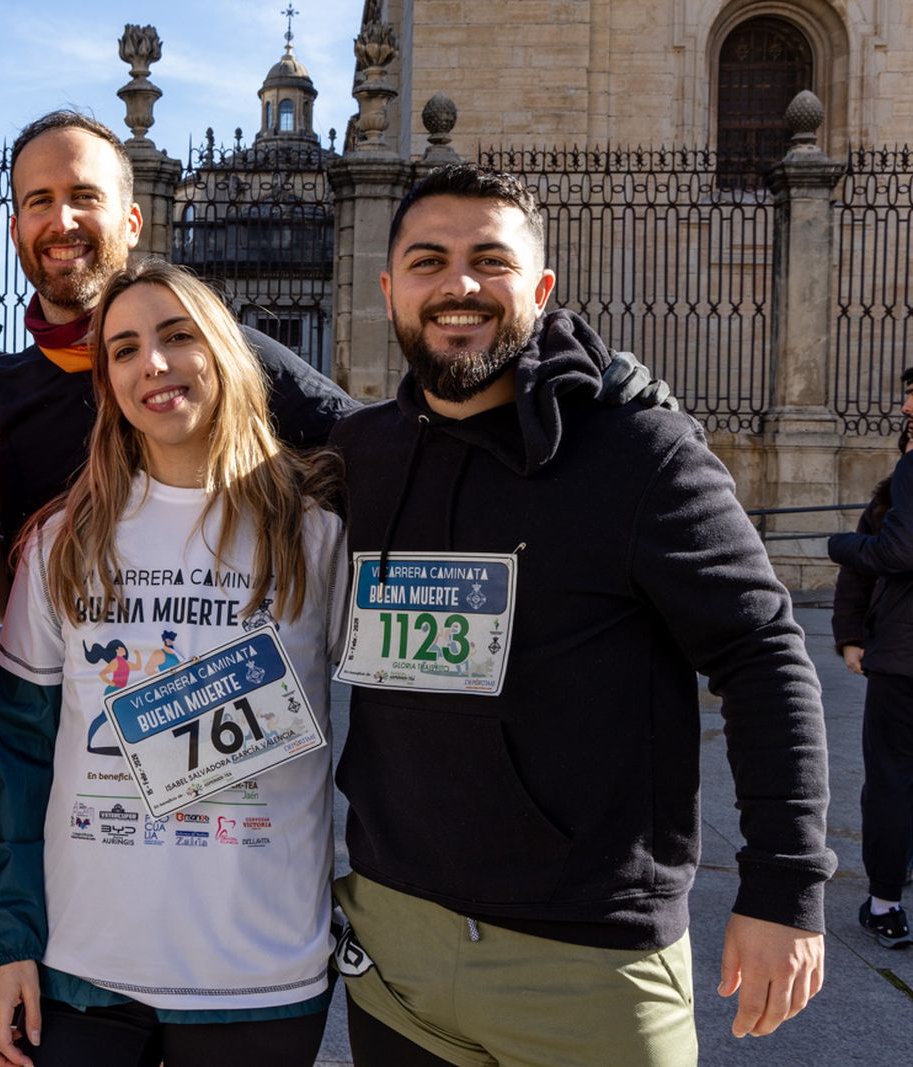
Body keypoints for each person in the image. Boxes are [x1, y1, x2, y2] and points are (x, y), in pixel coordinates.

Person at [328, 163, 834, 1066]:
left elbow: (764, 657)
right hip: (393, 951)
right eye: (429, 261)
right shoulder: (364, 451)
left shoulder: (640, 452)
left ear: (542, 287)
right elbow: (231, 368)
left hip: (585, 966)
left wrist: (785, 888)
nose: (460, 285)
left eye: (491, 260)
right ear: (389, 286)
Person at [0, 260, 345, 1067]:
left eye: (179, 337)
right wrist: (6, 946)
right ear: (107, 380)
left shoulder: (318, 536)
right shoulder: (61, 541)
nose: (155, 364)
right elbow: (19, 758)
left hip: (262, 976)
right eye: (126, 348)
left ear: (227, 354)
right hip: (83, 971)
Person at [0, 110, 358, 563]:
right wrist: (46, 616)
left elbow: (369, 452)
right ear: (15, 231)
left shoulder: (226, 359)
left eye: (85, 196)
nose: (62, 220)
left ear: (132, 224)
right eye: (39, 201)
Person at [829, 378, 913, 950]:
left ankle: (884, 903)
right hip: (897, 651)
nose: (905, 406)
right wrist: (850, 636)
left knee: (891, 780)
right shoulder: (894, 485)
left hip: (906, 661)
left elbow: (890, 554)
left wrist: (837, 544)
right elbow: (863, 579)